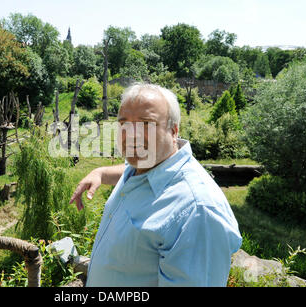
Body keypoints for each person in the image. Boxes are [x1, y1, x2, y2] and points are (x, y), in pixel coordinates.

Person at [69, 83, 242, 287]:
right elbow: (127, 169)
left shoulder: (197, 211)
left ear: (174, 131)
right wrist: (100, 172)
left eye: (145, 124)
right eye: (124, 124)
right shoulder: (144, 167)